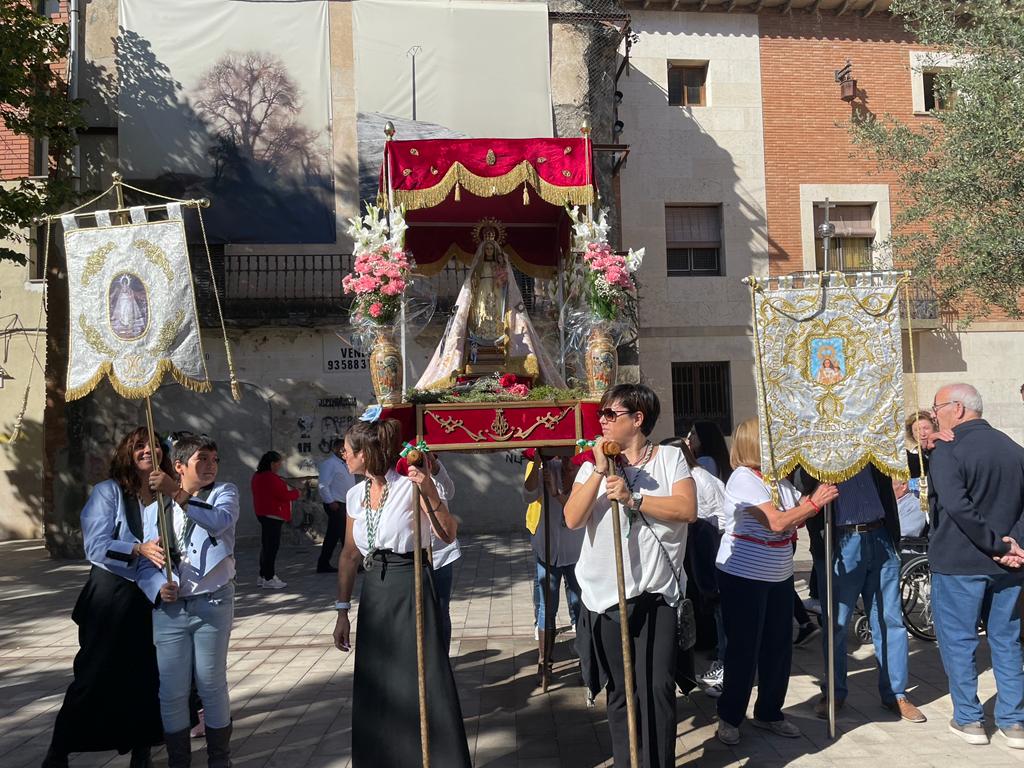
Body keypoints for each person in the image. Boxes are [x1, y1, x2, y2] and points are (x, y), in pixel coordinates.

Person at [565, 383, 697, 768]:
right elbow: (572, 518)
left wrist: (633, 498)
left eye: (611, 415)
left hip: (657, 594)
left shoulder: (669, 458)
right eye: (601, 415)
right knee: (621, 690)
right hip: (607, 596)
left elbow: (687, 509)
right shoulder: (592, 465)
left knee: (656, 687)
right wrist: (599, 472)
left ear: (637, 420)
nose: (602, 421)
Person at [332, 417, 471, 767]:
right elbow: (349, 554)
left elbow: (448, 533)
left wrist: (429, 490)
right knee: (379, 682)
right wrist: (341, 610)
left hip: (411, 584)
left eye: (347, 450)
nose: (343, 455)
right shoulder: (353, 495)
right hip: (375, 593)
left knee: (420, 677)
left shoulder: (409, 485)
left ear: (365, 454)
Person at [41, 427, 166, 768]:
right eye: (140, 446)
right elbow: (95, 546)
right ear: (128, 453)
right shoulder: (108, 492)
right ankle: (60, 748)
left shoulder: (163, 497)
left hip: (148, 594)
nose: (147, 451)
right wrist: (137, 549)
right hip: (110, 595)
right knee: (93, 673)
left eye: (154, 446)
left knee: (145, 675)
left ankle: (142, 749)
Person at [714, 418, 837, 745]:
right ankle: (729, 716)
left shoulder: (776, 478)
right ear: (756, 444)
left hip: (778, 573)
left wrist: (816, 487)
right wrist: (814, 504)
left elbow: (794, 508)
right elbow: (777, 521)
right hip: (744, 576)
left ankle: (769, 711)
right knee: (743, 648)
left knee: (778, 647)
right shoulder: (744, 478)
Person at [925, 383, 1024, 748]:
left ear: (958, 409)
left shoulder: (948, 452)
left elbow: (957, 506)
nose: (933, 415)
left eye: (937, 408)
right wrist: (1015, 545)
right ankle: (1014, 722)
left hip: (960, 561)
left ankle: (969, 719)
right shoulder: (1013, 449)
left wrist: (998, 545)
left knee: (960, 642)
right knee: (1007, 640)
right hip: (1008, 566)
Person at [141, 433, 240, 768]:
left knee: (211, 683)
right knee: (171, 689)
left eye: (214, 459)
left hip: (212, 603)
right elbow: (145, 560)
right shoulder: (156, 507)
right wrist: (156, 585)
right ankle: (178, 760)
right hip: (171, 609)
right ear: (179, 466)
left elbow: (219, 522)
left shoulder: (224, 494)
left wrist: (177, 493)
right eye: (202, 459)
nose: (211, 466)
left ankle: (219, 759)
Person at [804, 462, 925, 724]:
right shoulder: (819, 453)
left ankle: (896, 693)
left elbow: (911, 463)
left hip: (880, 535)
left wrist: (923, 445)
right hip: (841, 541)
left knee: (890, 619)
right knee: (836, 623)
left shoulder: (872, 447)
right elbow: (803, 489)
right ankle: (834, 692)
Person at [524, 452, 585, 681]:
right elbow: (528, 495)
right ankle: (545, 662)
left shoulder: (585, 471)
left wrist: (557, 493)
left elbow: (579, 509)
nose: (569, 461)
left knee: (579, 606)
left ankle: (585, 659)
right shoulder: (547, 469)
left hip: (577, 551)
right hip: (547, 549)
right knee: (546, 607)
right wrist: (537, 463)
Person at [252, 450, 301, 589]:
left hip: (264, 513)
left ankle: (262, 576)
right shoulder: (270, 477)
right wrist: (297, 493)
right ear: (272, 463)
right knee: (271, 548)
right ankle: (269, 577)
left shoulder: (258, 475)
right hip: (272, 515)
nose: (280, 465)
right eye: (279, 462)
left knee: (266, 546)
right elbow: (283, 495)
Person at [427, 453, 460, 649]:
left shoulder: (435, 470)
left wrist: (435, 466)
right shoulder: (402, 473)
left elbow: (449, 490)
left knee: (441, 610)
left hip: (440, 553)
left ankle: (442, 661)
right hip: (414, 554)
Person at [317, 438, 356, 574]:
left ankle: (324, 563)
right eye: (343, 449)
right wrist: (330, 501)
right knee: (344, 535)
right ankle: (351, 564)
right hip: (336, 504)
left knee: (333, 536)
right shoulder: (330, 464)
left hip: (344, 503)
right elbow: (323, 485)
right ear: (336, 450)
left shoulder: (344, 463)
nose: (345, 452)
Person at [905, 410, 936, 493]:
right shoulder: (911, 454)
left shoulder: (942, 450)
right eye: (916, 430)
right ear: (912, 433)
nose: (922, 433)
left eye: (926, 428)